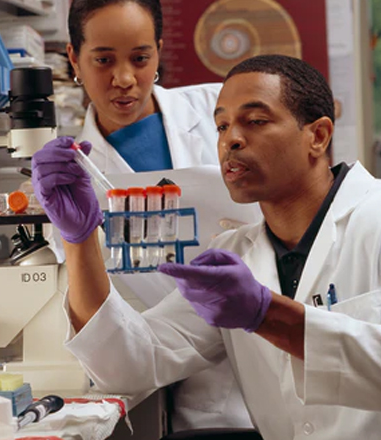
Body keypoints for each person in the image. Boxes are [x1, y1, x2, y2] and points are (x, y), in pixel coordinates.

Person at [32, 54, 381, 439]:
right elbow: (128, 364)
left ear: (317, 135)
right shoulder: (236, 255)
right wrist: (80, 239)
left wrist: (268, 315)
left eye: (255, 121)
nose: (230, 140)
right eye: (222, 125)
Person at [44, 0, 255, 432]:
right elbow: (99, 313)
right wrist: (76, 235)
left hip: (287, 342)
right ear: (74, 59)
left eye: (141, 59)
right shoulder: (70, 178)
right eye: (103, 60)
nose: (124, 79)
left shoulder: (220, 111)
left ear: (159, 52)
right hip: (203, 393)